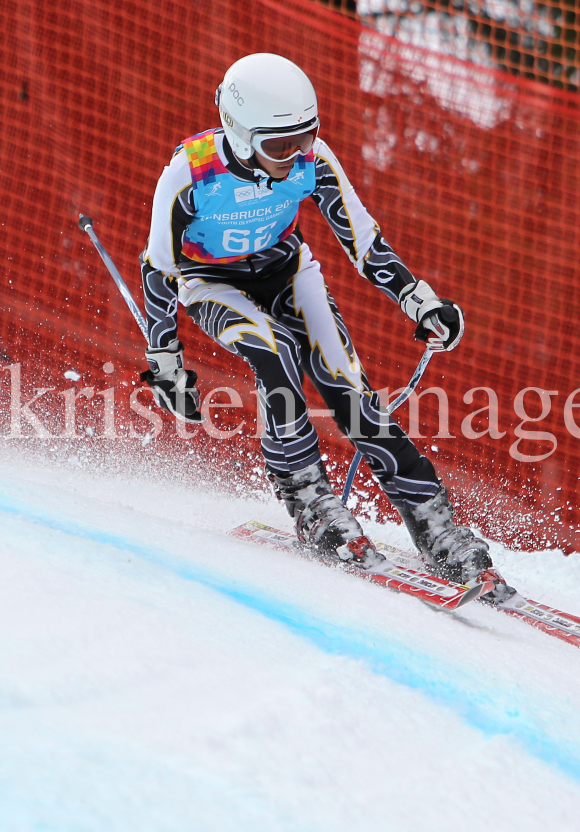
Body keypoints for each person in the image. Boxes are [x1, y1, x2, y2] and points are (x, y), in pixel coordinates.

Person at [138, 52, 511, 600]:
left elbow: (363, 240)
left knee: (351, 391)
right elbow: (160, 268)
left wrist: (418, 300)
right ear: (242, 137)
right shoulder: (191, 173)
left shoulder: (313, 161)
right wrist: (166, 362)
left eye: (304, 138)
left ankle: (437, 527)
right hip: (211, 282)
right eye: (278, 146)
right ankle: (312, 505)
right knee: (275, 354)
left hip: (286, 269)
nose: (295, 158)